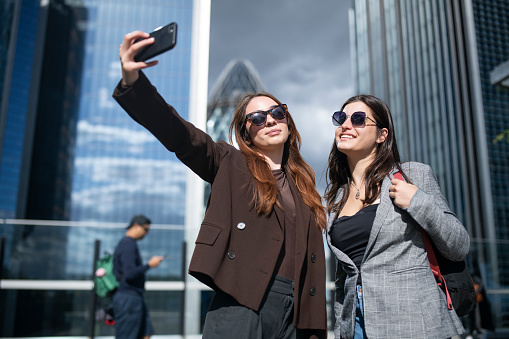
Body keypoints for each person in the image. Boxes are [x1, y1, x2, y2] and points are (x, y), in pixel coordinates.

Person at [112, 31, 328, 339]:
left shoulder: (304, 185)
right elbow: (180, 135)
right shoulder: (232, 162)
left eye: (277, 113)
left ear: (288, 121)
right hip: (242, 300)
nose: (269, 120)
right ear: (246, 133)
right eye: (256, 118)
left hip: (296, 314)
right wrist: (134, 82)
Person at [324, 94, 470, 339]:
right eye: (341, 118)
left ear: (382, 135)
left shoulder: (413, 175)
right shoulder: (334, 198)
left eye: (358, 119)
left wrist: (418, 202)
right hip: (357, 327)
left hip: (415, 323)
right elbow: (343, 277)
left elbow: (459, 246)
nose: (346, 125)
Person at [112, 214, 165, 339]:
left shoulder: (129, 244)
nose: (146, 233)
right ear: (136, 226)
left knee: (146, 334)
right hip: (128, 298)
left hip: (134, 297)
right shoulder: (128, 244)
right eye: (145, 229)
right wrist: (149, 265)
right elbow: (130, 274)